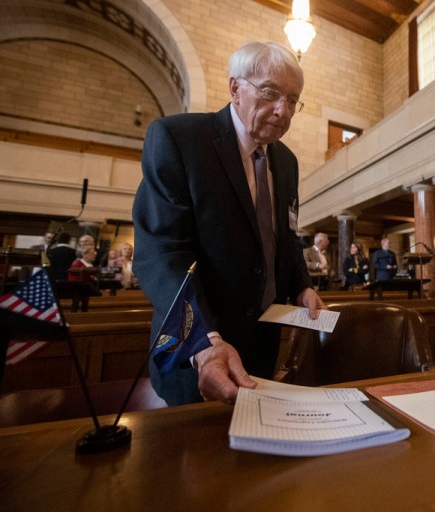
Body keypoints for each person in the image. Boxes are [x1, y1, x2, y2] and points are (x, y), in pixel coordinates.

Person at [133, 41, 324, 405]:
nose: (283, 111)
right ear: (235, 88)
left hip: (261, 348)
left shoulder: (287, 162)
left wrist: (302, 287)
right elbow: (161, 254)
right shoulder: (179, 140)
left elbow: (284, 235)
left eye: (293, 100)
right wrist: (204, 340)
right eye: (270, 92)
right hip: (200, 351)